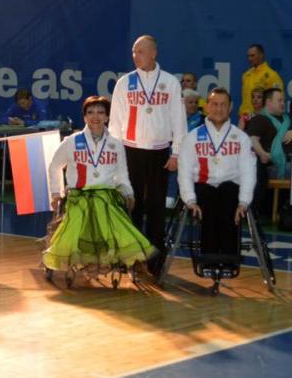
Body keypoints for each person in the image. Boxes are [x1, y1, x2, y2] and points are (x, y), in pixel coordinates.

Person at [43, 96, 156, 273]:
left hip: (106, 196)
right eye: (90, 112)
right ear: (84, 117)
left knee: (104, 205)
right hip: (78, 195)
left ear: (107, 117)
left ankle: (101, 262)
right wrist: (56, 193)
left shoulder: (115, 144)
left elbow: (122, 175)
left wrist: (128, 193)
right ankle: (93, 262)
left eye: (100, 112)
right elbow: (54, 166)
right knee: (89, 208)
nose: (95, 116)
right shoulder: (72, 141)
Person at [109, 35, 186, 276]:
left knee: (155, 208)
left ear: (154, 53)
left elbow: (179, 121)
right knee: (131, 206)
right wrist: (115, 154)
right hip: (130, 151)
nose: (135, 56)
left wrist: (176, 153)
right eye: (133, 52)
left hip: (159, 153)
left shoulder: (170, 83)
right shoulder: (125, 83)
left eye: (140, 51)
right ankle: (129, 258)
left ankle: (155, 260)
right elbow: (115, 123)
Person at [178, 88, 256, 262]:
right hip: (203, 188)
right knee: (208, 197)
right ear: (206, 107)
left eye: (223, 105)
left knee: (229, 192)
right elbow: (184, 172)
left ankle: (229, 257)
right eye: (214, 104)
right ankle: (208, 256)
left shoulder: (241, 138)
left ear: (230, 108)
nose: (218, 109)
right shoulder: (193, 137)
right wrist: (189, 200)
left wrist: (244, 203)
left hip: (231, 190)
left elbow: (248, 173)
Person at [238, 44, 283, 117]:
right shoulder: (246, 75)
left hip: (262, 118)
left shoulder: (272, 76)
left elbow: (278, 101)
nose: (249, 58)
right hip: (245, 119)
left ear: (261, 55)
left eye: (252, 55)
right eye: (248, 56)